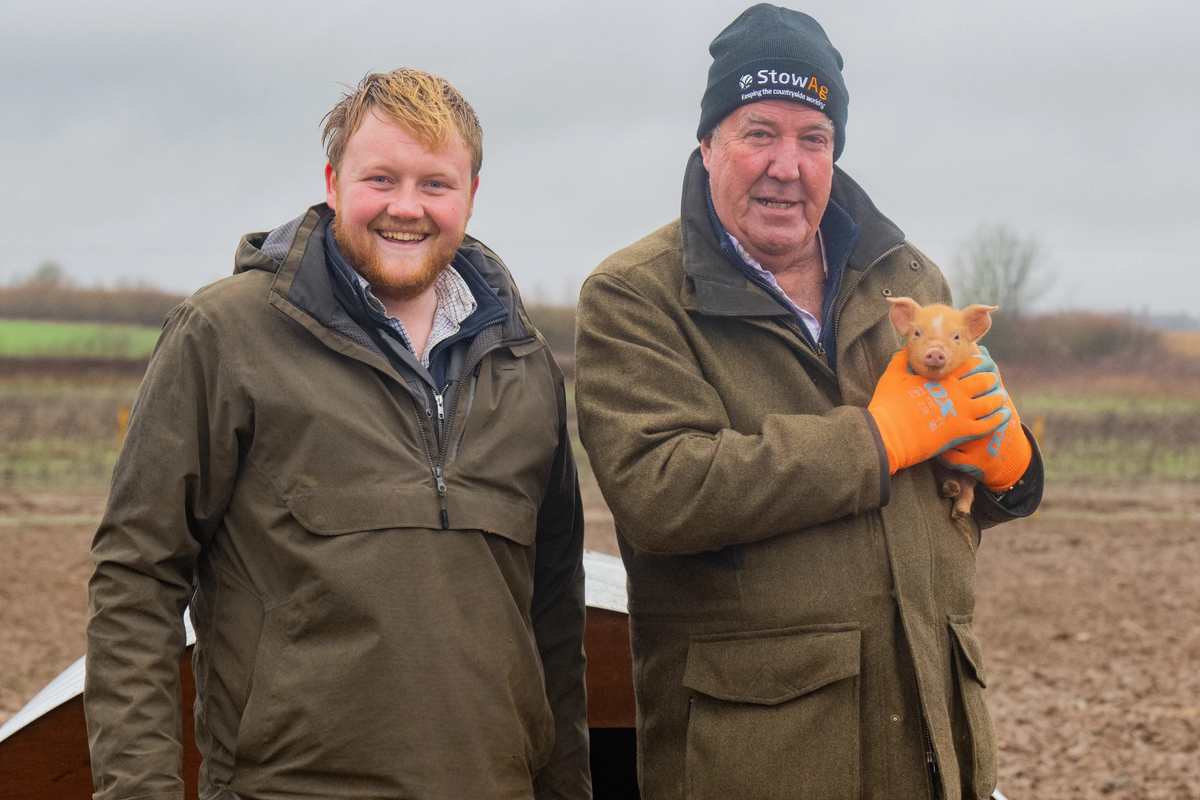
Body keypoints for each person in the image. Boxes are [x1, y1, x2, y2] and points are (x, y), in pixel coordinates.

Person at [574, 6, 1042, 800]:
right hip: (761, 759)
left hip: (934, 742)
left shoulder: (906, 278)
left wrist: (1009, 470)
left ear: (835, 152)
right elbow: (663, 491)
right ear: (708, 145)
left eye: (813, 138)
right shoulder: (635, 296)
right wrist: (874, 442)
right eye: (759, 133)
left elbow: (943, 476)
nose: (786, 165)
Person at [85, 69, 589, 800]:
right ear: (332, 182)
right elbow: (136, 577)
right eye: (380, 179)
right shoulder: (224, 337)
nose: (406, 207)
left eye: (435, 184)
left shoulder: (525, 364)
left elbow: (554, 614)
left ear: (472, 194)